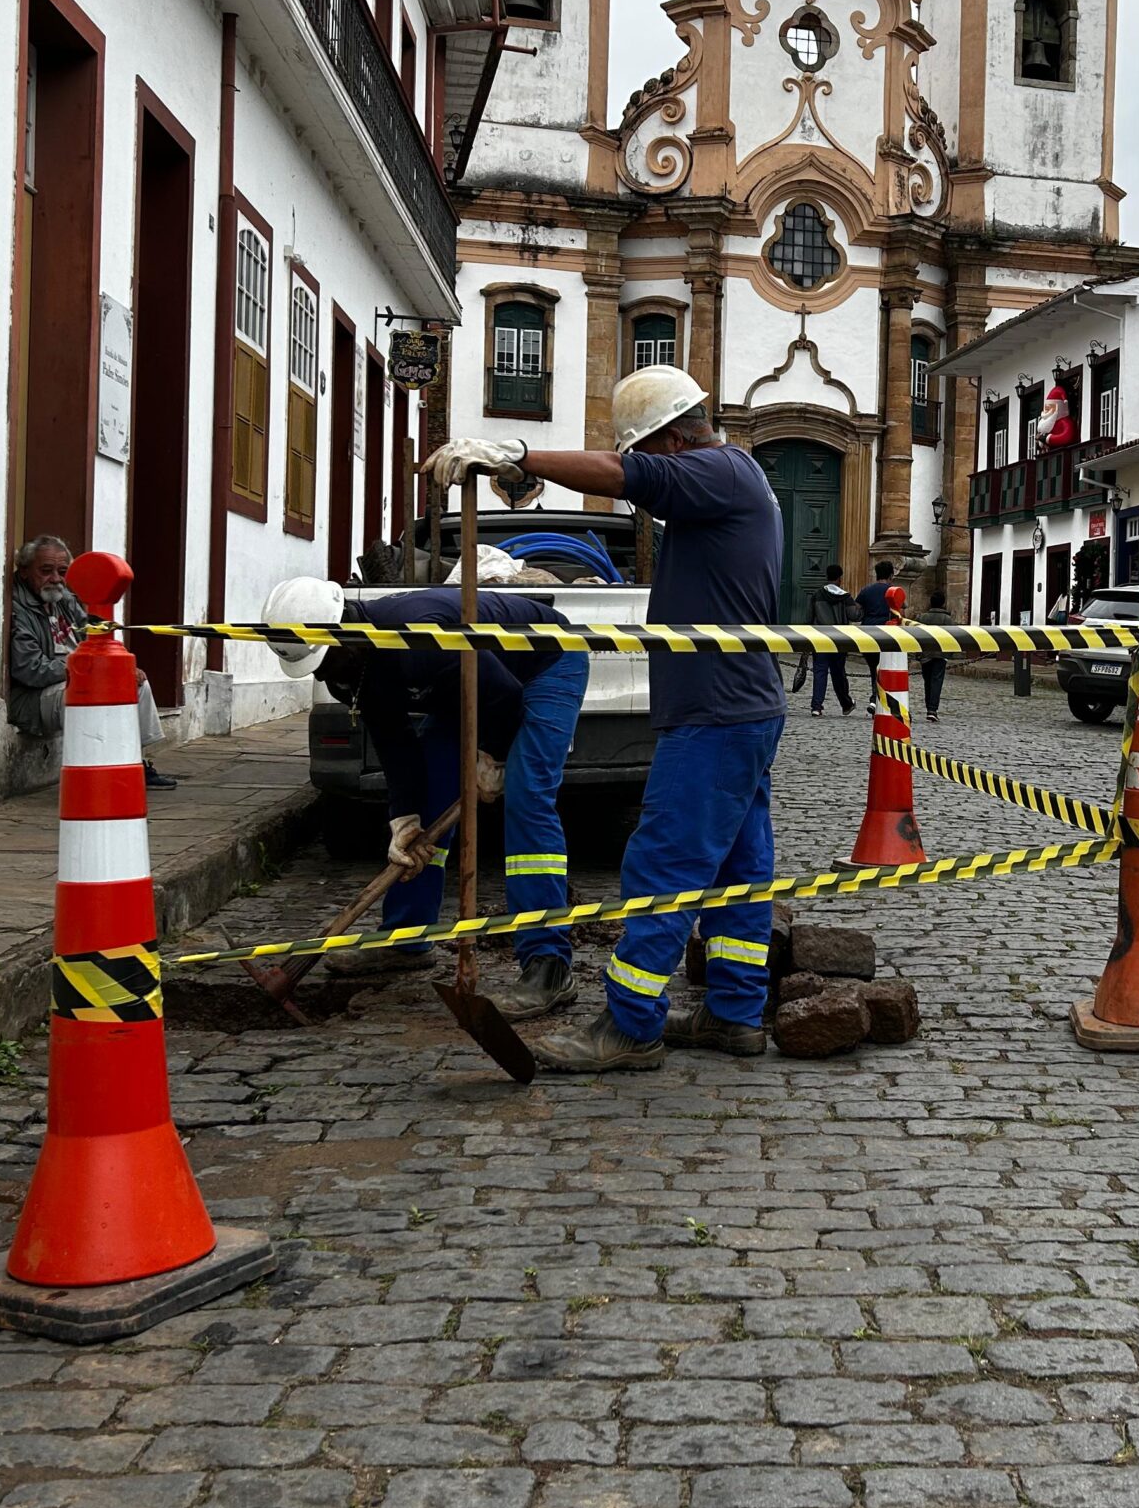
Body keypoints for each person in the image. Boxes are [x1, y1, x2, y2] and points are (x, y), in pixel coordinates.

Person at [426, 364, 782, 1072]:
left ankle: (630, 1025)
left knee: (664, 864)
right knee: (741, 869)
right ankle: (734, 1014)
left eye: (645, 455)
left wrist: (516, 455)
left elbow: (628, 477)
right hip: (735, 706)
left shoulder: (721, 471)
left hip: (717, 713)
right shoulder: (721, 487)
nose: (644, 480)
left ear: (672, 442)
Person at [263, 565, 586, 1020]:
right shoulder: (348, 669)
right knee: (429, 811)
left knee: (528, 799)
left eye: (322, 661)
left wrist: (491, 757)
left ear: (343, 631)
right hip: (460, 684)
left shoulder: (416, 637)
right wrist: (405, 817)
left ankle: (549, 966)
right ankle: (406, 941)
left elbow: (504, 695)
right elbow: (396, 743)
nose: (319, 677)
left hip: (543, 662)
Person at [6, 535, 175, 788]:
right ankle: (95, 770)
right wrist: (85, 670)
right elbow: (30, 669)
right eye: (45, 571)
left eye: (62, 572)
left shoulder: (65, 601)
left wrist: (117, 667)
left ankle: (135, 760)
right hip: (38, 695)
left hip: (80, 675)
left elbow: (96, 635)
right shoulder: (19, 608)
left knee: (135, 682)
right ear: (24, 571)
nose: (55, 579)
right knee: (91, 691)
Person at [805, 564, 854, 718]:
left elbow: (808, 618)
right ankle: (846, 704)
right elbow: (854, 615)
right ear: (840, 578)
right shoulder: (846, 597)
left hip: (820, 638)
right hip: (839, 639)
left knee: (820, 672)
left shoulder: (817, 595)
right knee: (839, 673)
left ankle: (816, 706)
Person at [917, 581, 955, 721]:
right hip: (940, 654)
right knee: (936, 681)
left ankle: (929, 707)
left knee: (927, 681)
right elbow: (953, 638)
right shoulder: (948, 619)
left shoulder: (922, 618)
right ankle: (932, 709)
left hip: (925, 655)